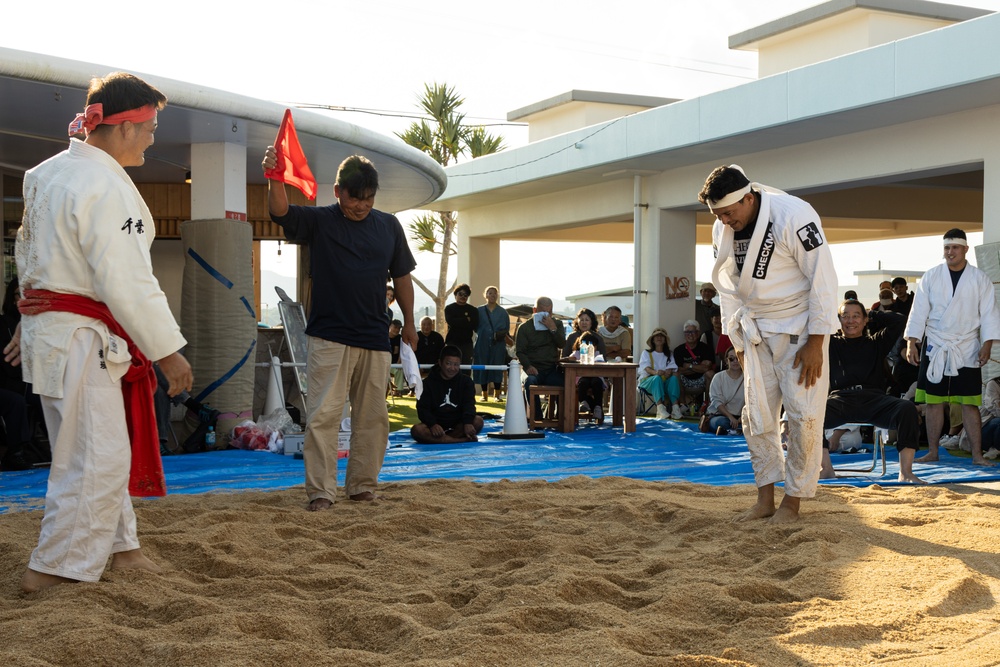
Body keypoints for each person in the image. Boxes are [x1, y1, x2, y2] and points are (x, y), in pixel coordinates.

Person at [12, 72, 193, 593]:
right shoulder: (104, 184)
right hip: (78, 335)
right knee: (96, 453)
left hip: (56, 328)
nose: (154, 137)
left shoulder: (47, 173)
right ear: (126, 126)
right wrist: (168, 352)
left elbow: (30, 254)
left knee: (92, 443)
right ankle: (52, 569)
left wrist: (30, 316)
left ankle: (122, 547)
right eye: (151, 126)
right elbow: (127, 279)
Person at [263, 148, 417, 509]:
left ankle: (363, 484)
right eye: (354, 198)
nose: (361, 205)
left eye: (368, 199)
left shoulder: (389, 226)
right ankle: (321, 491)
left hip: (375, 336)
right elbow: (281, 212)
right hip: (329, 335)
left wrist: (409, 322)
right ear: (337, 191)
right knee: (324, 417)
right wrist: (274, 176)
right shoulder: (321, 222)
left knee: (373, 418)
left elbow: (403, 276)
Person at [701, 164, 838, 524]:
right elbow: (728, 290)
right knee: (756, 416)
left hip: (799, 330)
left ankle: (792, 503)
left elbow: (823, 278)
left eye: (729, 212)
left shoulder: (794, 214)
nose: (725, 220)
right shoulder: (722, 225)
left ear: (748, 198)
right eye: (718, 214)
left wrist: (817, 342)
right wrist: (739, 344)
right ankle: (765, 497)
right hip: (754, 330)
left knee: (804, 416)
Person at [904, 228, 1000, 466]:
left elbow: (989, 313)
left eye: (955, 247)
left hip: (966, 345)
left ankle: (977, 455)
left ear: (965, 249)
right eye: (947, 248)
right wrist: (911, 342)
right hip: (936, 344)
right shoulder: (931, 276)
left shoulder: (979, 278)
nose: (950, 252)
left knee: (970, 402)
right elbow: (918, 311)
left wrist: (987, 344)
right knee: (934, 402)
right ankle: (933, 451)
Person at [820, 300, 922, 482]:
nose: (850, 321)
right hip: (841, 400)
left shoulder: (876, 342)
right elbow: (813, 324)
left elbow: (900, 321)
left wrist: (873, 313)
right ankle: (826, 468)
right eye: (845, 316)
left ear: (865, 320)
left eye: (856, 316)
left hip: (875, 401)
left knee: (906, 408)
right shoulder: (830, 343)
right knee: (810, 413)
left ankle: (905, 472)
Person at [410, 345, 484, 444]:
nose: (452, 368)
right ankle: (458, 440)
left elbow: (469, 404)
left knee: (478, 421)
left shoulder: (466, 382)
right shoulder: (427, 383)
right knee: (417, 430)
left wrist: (467, 422)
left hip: (458, 424)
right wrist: (432, 424)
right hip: (436, 424)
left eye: (456, 364)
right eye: (448, 364)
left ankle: (446, 440)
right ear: (440, 363)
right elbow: (422, 408)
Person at [515, 296, 566, 417]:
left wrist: (552, 329)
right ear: (534, 311)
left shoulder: (557, 324)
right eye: (542, 312)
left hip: (551, 368)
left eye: (548, 312)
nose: (545, 315)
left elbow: (562, 344)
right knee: (530, 382)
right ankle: (537, 419)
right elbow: (520, 351)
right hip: (532, 368)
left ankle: (561, 417)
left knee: (566, 382)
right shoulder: (525, 327)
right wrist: (528, 366)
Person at [473, 286, 509, 401]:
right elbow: (475, 327)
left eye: (495, 293)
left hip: (497, 344)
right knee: (482, 366)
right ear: (485, 295)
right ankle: (484, 394)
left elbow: (506, 328)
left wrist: (498, 334)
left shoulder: (503, 312)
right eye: (490, 293)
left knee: (497, 367)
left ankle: (497, 395)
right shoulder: (479, 310)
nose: (493, 295)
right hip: (482, 343)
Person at [637, 327, 681, 419]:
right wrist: (656, 372)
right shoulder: (646, 353)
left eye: (662, 336)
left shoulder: (669, 354)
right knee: (657, 378)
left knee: (673, 379)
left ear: (665, 340)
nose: (659, 338)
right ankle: (660, 408)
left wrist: (668, 372)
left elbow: (672, 368)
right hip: (647, 382)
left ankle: (675, 408)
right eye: (656, 336)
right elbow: (646, 368)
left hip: (664, 382)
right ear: (653, 339)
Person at [563, 331, 606, 424]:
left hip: (595, 376)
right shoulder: (577, 354)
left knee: (596, 383)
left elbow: (602, 364)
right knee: (583, 383)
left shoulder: (597, 354)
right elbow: (568, 360)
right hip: (582, 377)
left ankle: (598, 406)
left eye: (593, 346)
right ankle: (585, 402)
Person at [674, 320, 716, 414]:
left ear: (698, 333)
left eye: (693, 331)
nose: (690, 334)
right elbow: (680, 370)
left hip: (702, 380)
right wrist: (699, 367)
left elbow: (707, 369)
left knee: (710, 373)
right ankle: (683, 405)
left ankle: (707, 404)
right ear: (684, 334)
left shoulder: (706, 348)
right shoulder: (678, 350)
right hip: (685, 381)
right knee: (676, 375)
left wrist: (689, 365)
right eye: (687, 332)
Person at [705, 346, 745, 436]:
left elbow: (751, 401)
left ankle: (734, 430)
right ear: (726, 361)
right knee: (722, 422)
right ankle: (736, 430)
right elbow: (717, 402)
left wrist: (743, 417)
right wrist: (730, 417)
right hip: (720, 415)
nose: (735, 361)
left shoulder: (748, 378)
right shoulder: (718, 377)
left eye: (738, 358)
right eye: (731, 359)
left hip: (740, 417)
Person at [444, 284, 478, 372]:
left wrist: (458, 320)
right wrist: (466, 319)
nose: (463, 296)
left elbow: (474, 325)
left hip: (467, 343)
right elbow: (451, 322)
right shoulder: (449, 308)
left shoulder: (473, 310)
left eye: (465, 295)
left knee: (466, 369)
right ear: (455, 295)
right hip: (452, 342)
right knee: (451, 367)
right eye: (460, 294)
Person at [388, 319, 407, 395]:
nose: (397, 330)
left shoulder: (400, 338)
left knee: (399, 370)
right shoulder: (383, 336)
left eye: (399, 328)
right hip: (383, 363)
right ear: (390, 326)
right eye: (395, 327)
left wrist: (399, 363)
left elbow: (402, 352)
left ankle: (397, 390)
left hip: (395, 364)